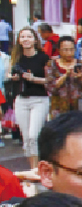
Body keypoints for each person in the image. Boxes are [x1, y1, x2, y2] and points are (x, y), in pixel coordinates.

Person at [10, 28, 51, 168]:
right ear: (19, 40)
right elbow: (10, 76)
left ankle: (37, 168)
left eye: (29, 36)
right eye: (23, 37)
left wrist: (33, 78)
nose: (26, 39)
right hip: (21, 99)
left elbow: (50, 80)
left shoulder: (43, 57)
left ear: (35, 40)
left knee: (34, 136)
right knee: (26, 138)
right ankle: (33, 168)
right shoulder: (16, 57)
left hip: (39, 99)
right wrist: (13, 77)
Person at [44, 35, 82, 116]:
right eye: (65, 50)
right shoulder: (52, 65)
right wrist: (65, 75)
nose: (69, 53)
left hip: (79, 107)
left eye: (71, 50)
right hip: (59, 108)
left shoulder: (81, 64)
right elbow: (51, 87)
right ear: (59, 50)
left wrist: (81, 78)